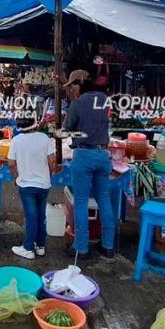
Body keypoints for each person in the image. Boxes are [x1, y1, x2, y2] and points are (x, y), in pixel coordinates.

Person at [62, 69, 115, 258]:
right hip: (103, 155)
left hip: (84, 155)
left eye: (73, 86)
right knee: (104, 199)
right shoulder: (104, 99)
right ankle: (108, 245)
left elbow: (67, 130)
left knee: (81, 202)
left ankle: (81, 247)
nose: (71, 91)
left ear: (79, 84)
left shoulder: (77, 104)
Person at [7, 125, 60, 260]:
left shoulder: (17, 140)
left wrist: (16, 177)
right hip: (43, 185)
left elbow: (11, 163)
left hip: (26, 185)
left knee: (31, 216)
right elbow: (52, 160)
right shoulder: (44, 138)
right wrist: (48, 175)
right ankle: (40, 246)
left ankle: (28, 248)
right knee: (41, 215)